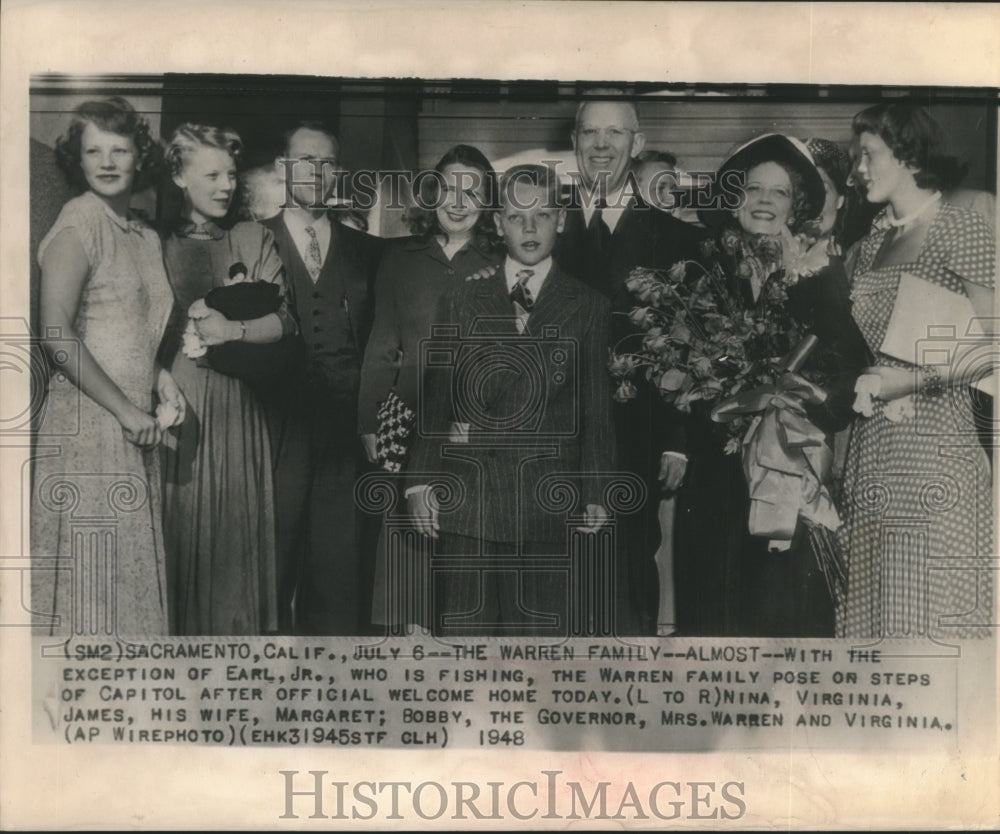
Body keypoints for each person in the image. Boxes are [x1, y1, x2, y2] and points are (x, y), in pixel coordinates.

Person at [407, 164, 615, 636]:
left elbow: (595, 410)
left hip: (547, 503)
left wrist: (598, 490)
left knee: (537, 655)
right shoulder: (462, 296)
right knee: (464, 646)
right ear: (498, 222)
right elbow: (437, 394)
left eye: (542, 215)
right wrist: (418, 483)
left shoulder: (588, 305)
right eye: (517, 216)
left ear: (561, 221)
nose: (529, 227)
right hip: (468, 501)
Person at [683, 133, 871, 637]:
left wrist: (799, 400)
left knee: (780, 612)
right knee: (714, 613)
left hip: (788, 468)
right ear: (734, 199)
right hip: (716, 476)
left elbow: (853, 369)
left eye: (780, 192)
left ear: (797, 205)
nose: (765, 201)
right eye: (753, 189)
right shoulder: (702, 270)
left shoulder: (819, 276)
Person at [837, 103, 995, 639]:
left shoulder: (963, 227)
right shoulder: (867, 245)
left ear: (906, 154)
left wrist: (909, 380)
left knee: (927, 617)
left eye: (869, 155)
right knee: (872, 613)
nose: (858, 169)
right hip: (871, 449)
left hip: (936, 448)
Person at [32, 97, 183, 637]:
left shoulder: (143, 234)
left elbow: (137, 323)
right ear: (78, 158)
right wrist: (124, 408)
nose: (108, 161)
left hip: (133, 422)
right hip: (90, 423)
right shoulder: (79, 222)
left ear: (140, 156)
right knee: (94, 580)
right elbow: (55, 332)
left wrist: (160, 378)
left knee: (125, 576)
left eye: (120, 149)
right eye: (93, 150)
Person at [554, 96, 704, 636]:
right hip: (554, 436)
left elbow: (690, 348)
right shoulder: (542, 227)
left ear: (635, 145)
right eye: (590, 133)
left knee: (629, 573)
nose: (601, 145)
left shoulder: (678, 240)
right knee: (558, 579)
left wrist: (677, 438)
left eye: (614, 134)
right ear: (574, 142)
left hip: (636, 434)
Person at [358, 144, 501, 630]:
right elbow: (382, 343)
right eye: (449, 188)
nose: (458, 202)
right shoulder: (400, 258)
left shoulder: (502, 260)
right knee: (409, 542)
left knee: (469, 546)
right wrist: (368, 420)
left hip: (479, 426)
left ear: (487, 203)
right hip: (409, 418)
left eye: (472, 191)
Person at [159, 123, 295, 636]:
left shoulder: (253, 236)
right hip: (178, 406)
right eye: (211, 173)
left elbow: (284, 324)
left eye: (231, 175)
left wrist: (230, 328)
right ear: (178, 175)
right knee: (178, 538)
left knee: (234, 553)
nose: (225, 185)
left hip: (239, 407)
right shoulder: (154, 242)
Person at [259, 122, 383, 635]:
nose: (316, 172)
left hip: (344, 433)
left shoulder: (369, 250)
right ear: (282, 168)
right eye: (303, 160)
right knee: (271, 565)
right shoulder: (251, 238)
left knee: (338, 574)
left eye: (327, 162)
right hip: (272, 430)